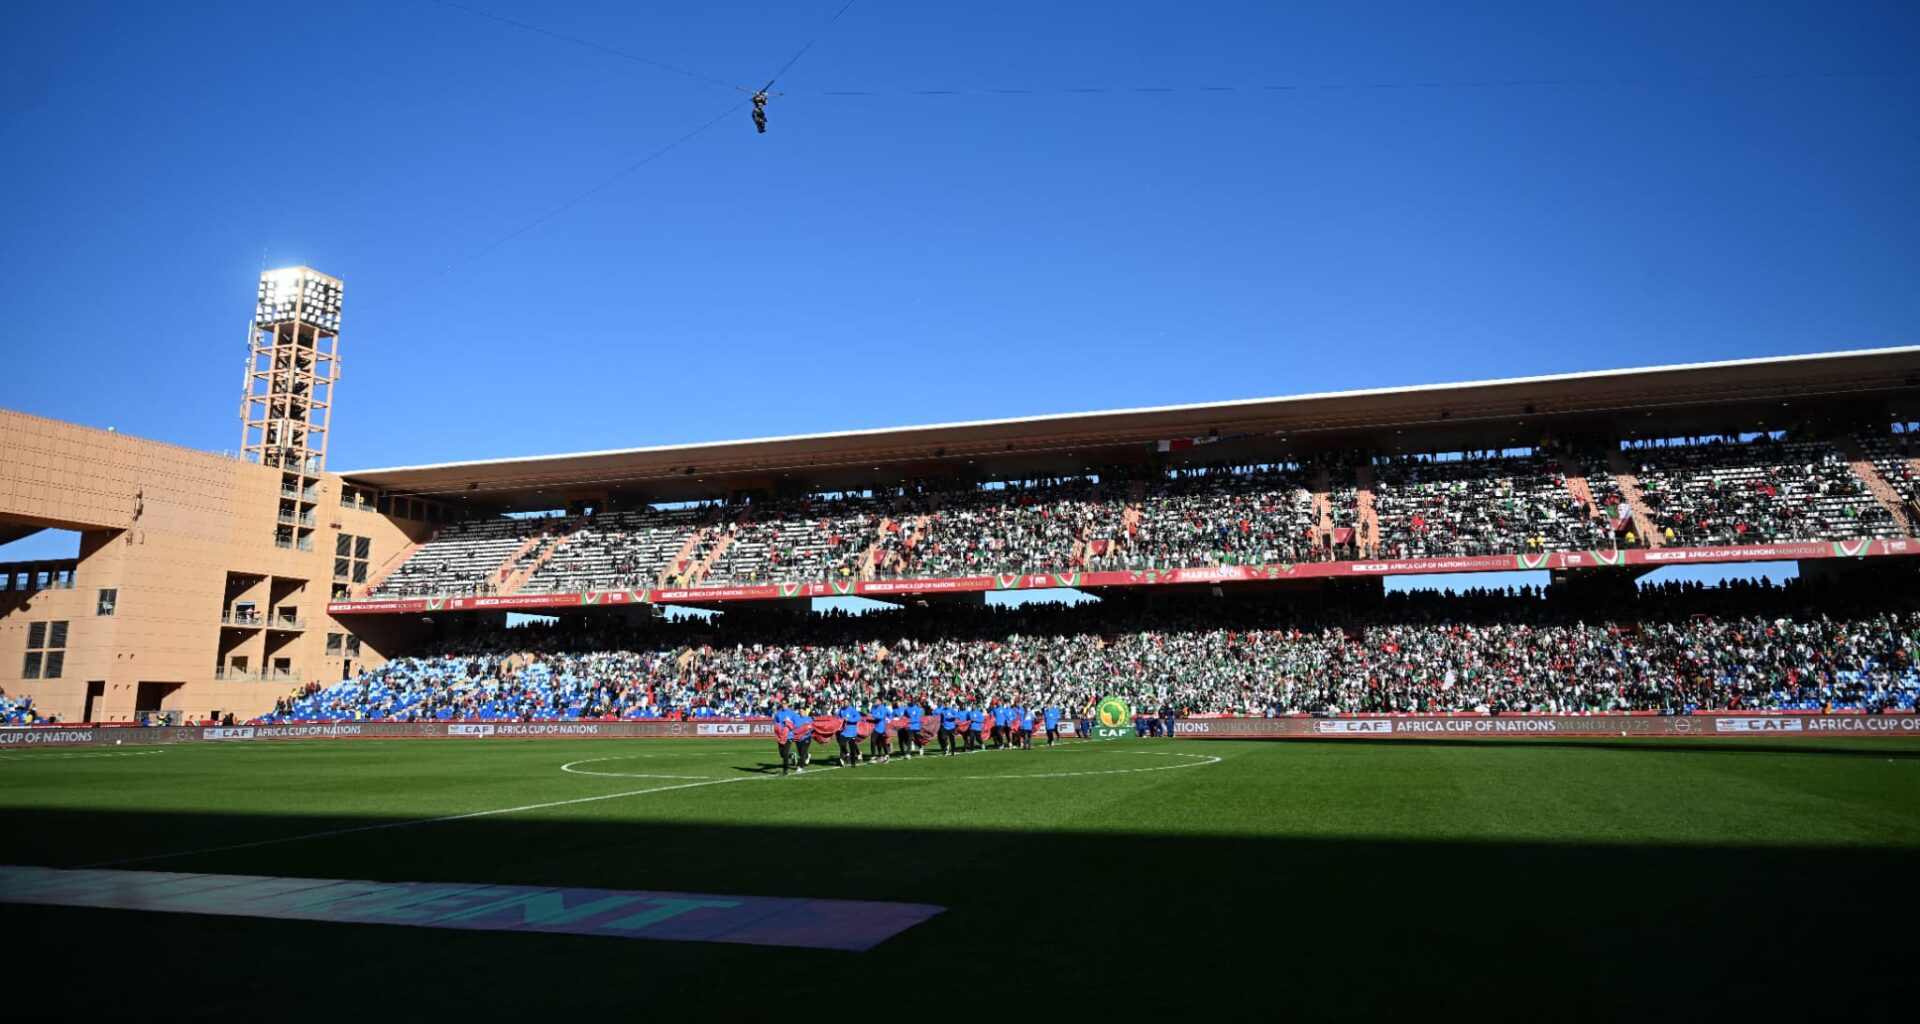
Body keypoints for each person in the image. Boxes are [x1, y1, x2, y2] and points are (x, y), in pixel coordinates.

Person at [837, 700, 862, 766]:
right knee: (842, 745)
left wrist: (849, 720)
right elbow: (837, 716)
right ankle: (843, 758)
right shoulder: (841, 710)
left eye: (846, 702)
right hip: (844, 732)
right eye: (844, 702)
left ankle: (853, 762)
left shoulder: (852, 710)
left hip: (852, 732)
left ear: (849, 703)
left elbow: (858, 718)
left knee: (852, 748)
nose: (845, 704)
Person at [773, 710, 796, 775]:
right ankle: (791, 756)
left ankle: (785, 770)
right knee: (782, 754)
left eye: (785, 704)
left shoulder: (792, 713)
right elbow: (776, 724)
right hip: (781, 737)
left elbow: (795, 723)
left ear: (787, 704)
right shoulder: (778, 714)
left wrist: (790, 724)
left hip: (789, 736)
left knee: (785, 753)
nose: (784, 705)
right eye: (783, 704)